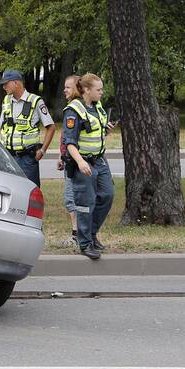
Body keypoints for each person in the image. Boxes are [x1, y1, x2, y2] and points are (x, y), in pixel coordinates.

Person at [62, 73, 116, 260]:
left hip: (99, 160)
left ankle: (91, 234)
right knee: (86, 204)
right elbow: (69, 142)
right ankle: (85, 243)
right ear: (86, 90)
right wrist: (80, 162)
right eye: (98, 90)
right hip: (83, 162)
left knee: (107, 195)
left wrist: (106, 130)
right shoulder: (73, 110)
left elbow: (95, 131)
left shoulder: (97, 107)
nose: (101, 93)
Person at [0, 69, 55, 187]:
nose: (4, 87)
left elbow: (51, 127)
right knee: (10, 190)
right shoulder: (6, 100)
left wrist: (42, 150)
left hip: (27, 158)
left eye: (6, 83)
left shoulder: (35, 101)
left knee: (30, 193)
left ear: (16, 83)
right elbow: (2, 127)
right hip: (9, 157)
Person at [56, 75, 81, 247]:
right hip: (69, 160)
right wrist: (61, 156)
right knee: (72, 198)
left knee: (71, 198)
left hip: (76, 162)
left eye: (68, 87)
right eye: (64, 87)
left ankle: (77, 235)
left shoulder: (76, 109)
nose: (65, 90)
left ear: (78, 88)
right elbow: (65, 136)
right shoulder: (73, 107)